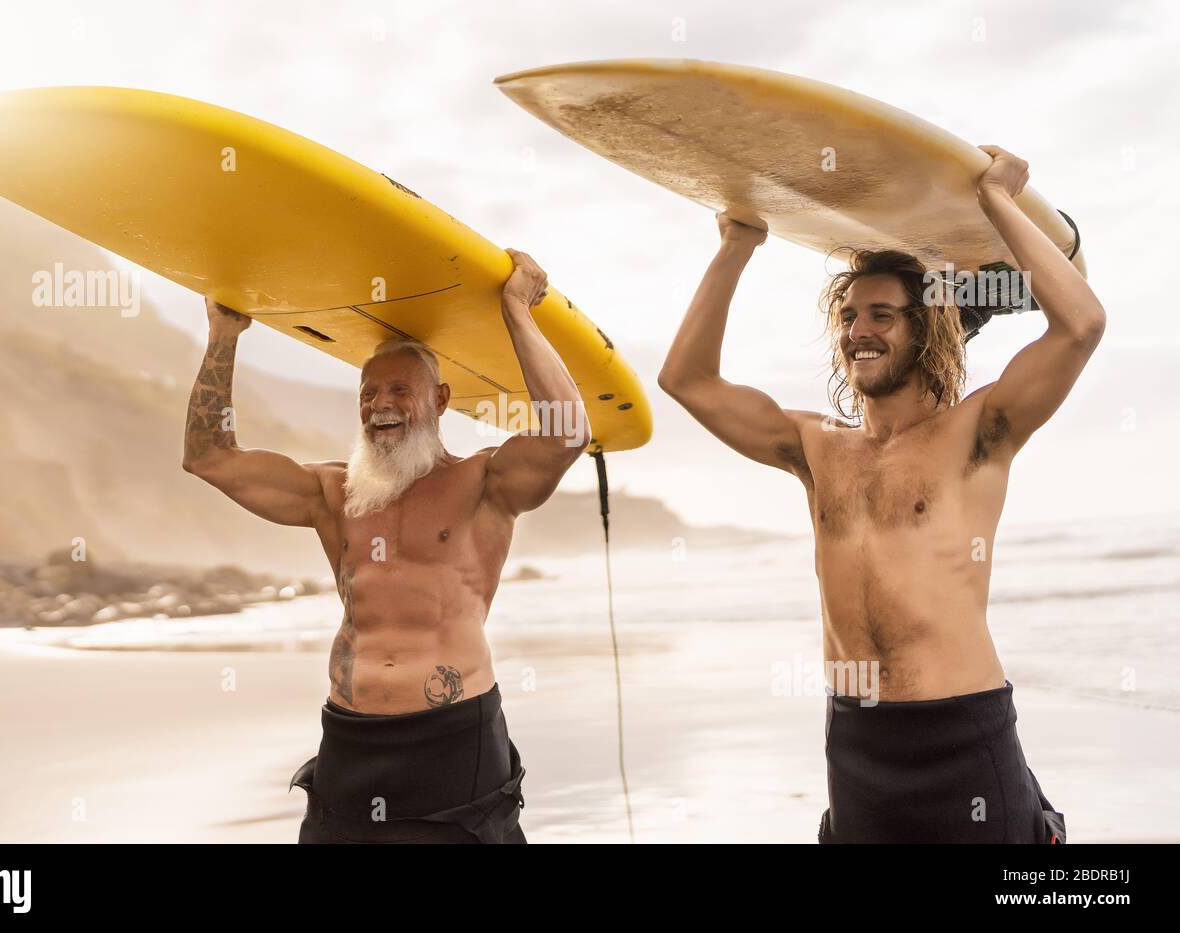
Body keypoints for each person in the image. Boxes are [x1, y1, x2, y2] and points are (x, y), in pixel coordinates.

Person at [658, 146, 1103, 843]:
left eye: (882, 316)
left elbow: (1080, 325)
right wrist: (737, 248)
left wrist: (998, 203)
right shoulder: (816, 447)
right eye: (851, 318)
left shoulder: (977, 432)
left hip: (961, 741)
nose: (859, 331)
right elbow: (686, 378)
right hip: (858, 747)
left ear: (926, 332)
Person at [182, 250, 590, 843]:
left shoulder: (484, 484)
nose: (381, 405)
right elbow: (208, 457)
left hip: (455, 740)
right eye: (368, 394)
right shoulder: (333, 494)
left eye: (401, 389)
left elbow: (566, 433)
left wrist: (515, 310)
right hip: (351, 741)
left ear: (442, 399)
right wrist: (224, 334)